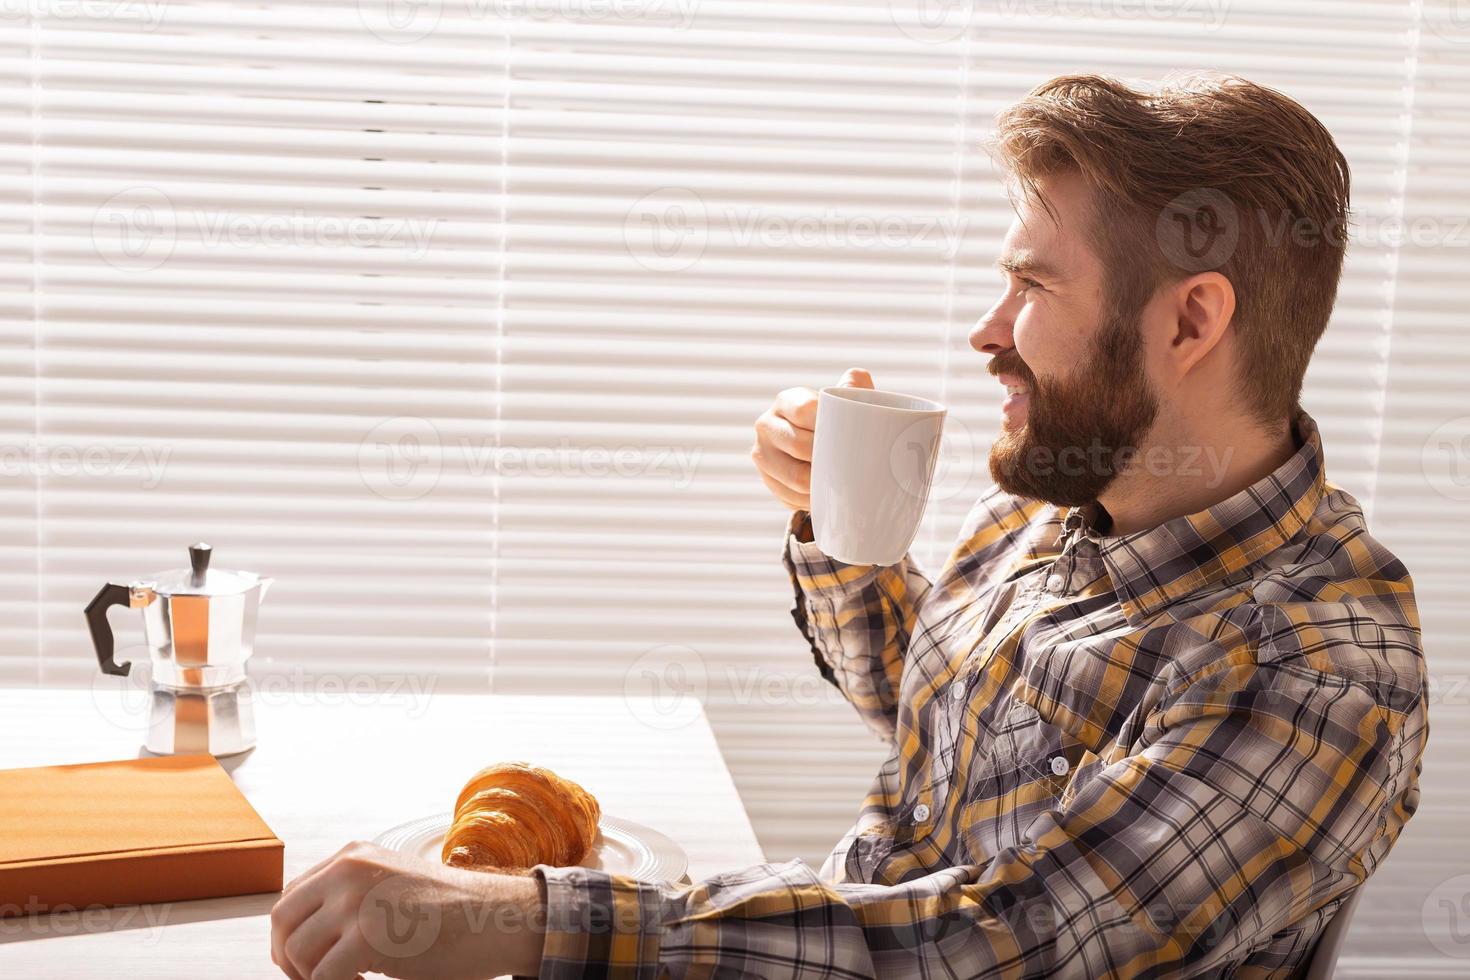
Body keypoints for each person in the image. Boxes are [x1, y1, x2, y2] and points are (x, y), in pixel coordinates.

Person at [268, 72, 1428, 980]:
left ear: (1192, 319)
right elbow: (947, 727)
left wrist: (527, 919)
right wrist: (833, 525)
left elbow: (994, 948)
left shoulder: (1316, 667)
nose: (988, 329)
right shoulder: (1059, 507)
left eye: (1034, 285)